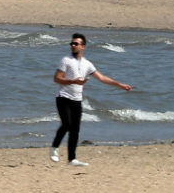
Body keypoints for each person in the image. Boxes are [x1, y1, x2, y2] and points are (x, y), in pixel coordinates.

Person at [50, 33, 131, 166]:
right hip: (63, 97)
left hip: (77, 99)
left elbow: (102, 78)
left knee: (75, 129)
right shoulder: (65, 60)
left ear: (83, 46)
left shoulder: (87, 64)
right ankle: (54, 148)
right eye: (72, 43)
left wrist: (120, 85)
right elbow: (56, 78)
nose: (73, 46)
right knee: (66, 124)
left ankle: (72, 159)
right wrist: (73, 81)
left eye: (76, 44)